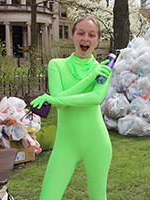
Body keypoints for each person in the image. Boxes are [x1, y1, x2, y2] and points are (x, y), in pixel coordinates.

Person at [30, 16, 112, 200]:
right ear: (72, 36)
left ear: (98, 40)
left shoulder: (103, 69)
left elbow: (95, 98)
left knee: (98, 196)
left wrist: (57, 99)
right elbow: (59, 100)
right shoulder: (57, 65)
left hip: (97, 143)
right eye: (80, 33)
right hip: (65, 145)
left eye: (92, 35)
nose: (85, 39)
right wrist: (89, 78)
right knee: (48, 197)